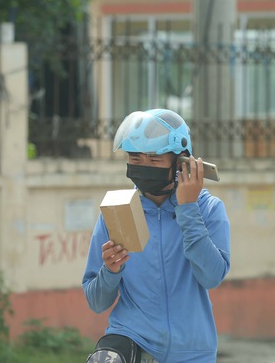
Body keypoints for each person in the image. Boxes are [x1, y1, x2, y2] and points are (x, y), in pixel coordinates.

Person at [83, 109, 231, 363]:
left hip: (192, 351)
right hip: (132, 341)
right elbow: (96, 302)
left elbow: (212, 276)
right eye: (135, 158)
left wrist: (188, 210)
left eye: (154, 159)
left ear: (181, 162)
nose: (142, 167)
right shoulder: (118, 210)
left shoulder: (209, 209)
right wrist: (111, 270)